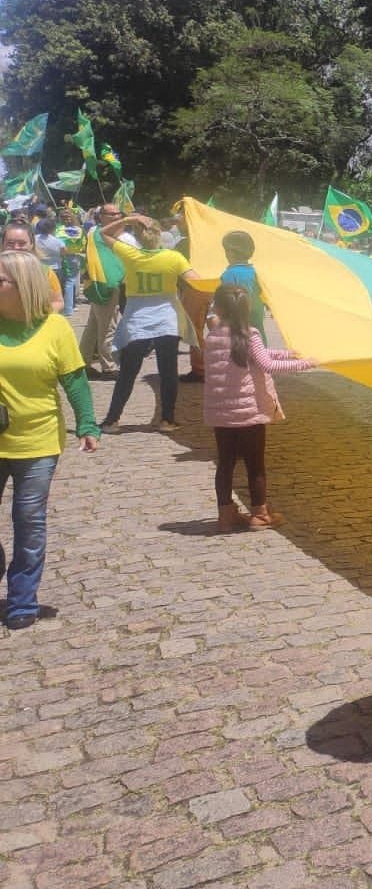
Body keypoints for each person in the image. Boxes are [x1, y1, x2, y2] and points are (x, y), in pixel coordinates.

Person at [0, 251, 100, 629]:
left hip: (37, 442)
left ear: (21, 287)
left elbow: (74, 380)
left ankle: (22, 599)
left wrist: (87, 425)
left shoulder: (54, 328)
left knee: (28, 521)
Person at [203, 283, 316, 530]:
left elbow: (258, 355)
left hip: (221, 416)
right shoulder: (249, 334)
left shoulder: (213, 336)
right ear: (248, 309)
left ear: (219, 307)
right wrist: (305, 363)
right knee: (255, 465)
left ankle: (225, 515)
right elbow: (266, 363)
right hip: (249, 415)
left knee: (225, 463)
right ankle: (259, 514)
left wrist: (288, 354)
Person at [98, 214, 199, 433]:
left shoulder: (130, 254)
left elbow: (102, 233)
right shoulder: (174, 258)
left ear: (138, 236)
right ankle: (167, 419)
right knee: (168, 372)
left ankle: (111, 420)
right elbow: (196, 281)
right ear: (160, 235)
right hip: (167, 320)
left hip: (137, 321)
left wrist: (130, 218)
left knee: (128, 372)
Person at [78, 205, 123, 377]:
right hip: (106, 286)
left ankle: (83, 363)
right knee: (107, 328)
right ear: (101, 216)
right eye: (111, 214)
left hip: (100, 285)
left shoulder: (94, 232)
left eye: (118, 213)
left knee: (93, 326)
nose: (116, 216)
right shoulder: (102, 235)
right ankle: (109, 367)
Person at [2, 222, 66, 314]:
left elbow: (57, 302)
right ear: (3, 244)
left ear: (31, 244)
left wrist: (41, 318)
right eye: (10, 243)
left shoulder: (45, 272)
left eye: (22, 243)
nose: (15, 247)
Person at [217, 231, 267, 333]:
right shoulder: (256, 272)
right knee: (257, 346)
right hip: (256, 322)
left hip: (237, 328)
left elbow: (225, 300)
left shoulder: (229, 274)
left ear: (231, 252)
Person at [33, 219, 68, 313]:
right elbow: (64, 252)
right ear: (53, 229)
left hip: (37, 268)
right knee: (55, 292)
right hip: (55, 268)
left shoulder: (33, 239)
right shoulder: (57, 241)